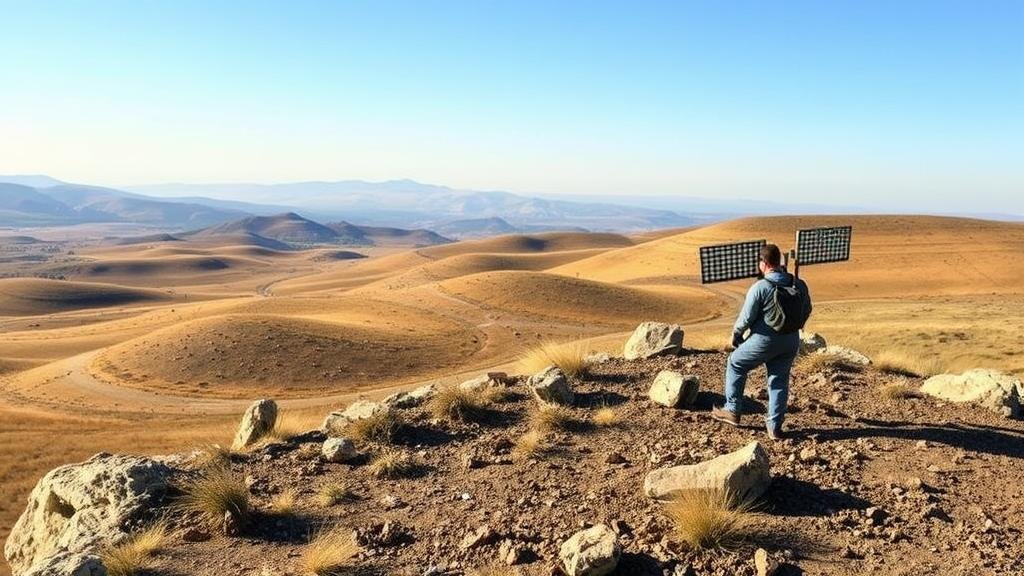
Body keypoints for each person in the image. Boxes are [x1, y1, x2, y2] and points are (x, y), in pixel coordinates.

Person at [710, 244, 812, 440]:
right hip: (791, 340)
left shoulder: (761, 287)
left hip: (764, 341)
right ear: (780, 263)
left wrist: (736, 335)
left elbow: (746, 318)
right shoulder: (799, 284)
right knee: (779, 380)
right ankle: (774, 427)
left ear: (764, 264)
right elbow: (807, 309)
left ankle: (732, 410)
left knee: (735, 363)